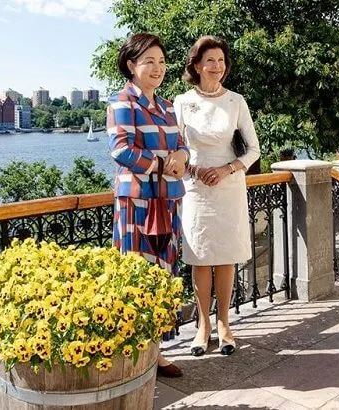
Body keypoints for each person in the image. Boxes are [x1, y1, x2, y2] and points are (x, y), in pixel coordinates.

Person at [107, 33, 189, 378]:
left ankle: (155, 352)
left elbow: (181, 144)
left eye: (161, 61)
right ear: (131, 65)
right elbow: (120, 149)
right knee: (137, 275)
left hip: (166, 200)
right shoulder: (122, 102)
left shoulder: (167, 106)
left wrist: (182, 155)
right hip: (137, 202)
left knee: (163, 274)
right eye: (148, 62)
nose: (157, 68)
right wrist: (160, 164)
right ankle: (135, 355)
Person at [173, 36, 260, 357]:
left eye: (221, 61)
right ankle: (202, 325)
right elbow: (175, 149)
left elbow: (253, 149)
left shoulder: (236, 101)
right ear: (196, 65)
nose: (217, 67)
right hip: (195, 189)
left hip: (229, 186)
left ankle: (224, 323)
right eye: (210, 60)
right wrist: (194, 170)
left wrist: (226, 169)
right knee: (199, 257)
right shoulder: (181, 102)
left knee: (225, 257)